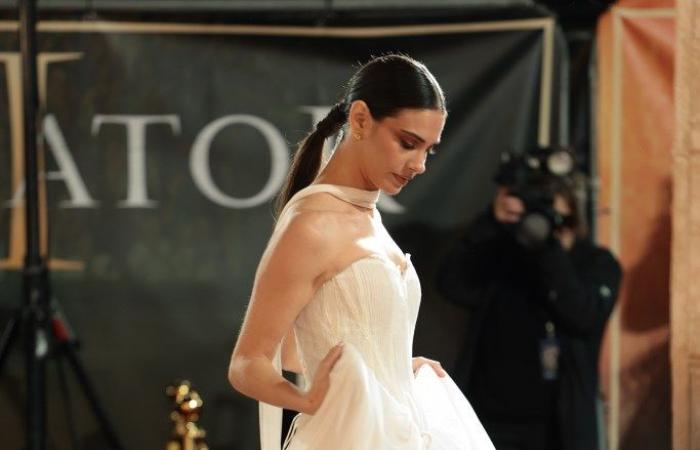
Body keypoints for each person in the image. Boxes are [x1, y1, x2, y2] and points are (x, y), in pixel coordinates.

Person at [228, 54, 496, 450]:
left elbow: (329, 341)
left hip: (400, 430)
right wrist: (306, 400)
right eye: (408, 143)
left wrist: (395, 370)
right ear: (360, 120)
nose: (419, 164)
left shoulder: (367, 217)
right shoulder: (312, 223)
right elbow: (247, 363)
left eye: (429, 150)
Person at [436, 176, 622, 450]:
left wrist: (549, 249)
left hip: (557, 429)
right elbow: (452, 284)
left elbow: (582, 315)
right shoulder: (505, 258)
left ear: (576, 221)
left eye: (560, 221)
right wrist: (491, 221)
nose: (549, 230)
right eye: (537, 221)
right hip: (486, 422)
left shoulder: (597, 264)